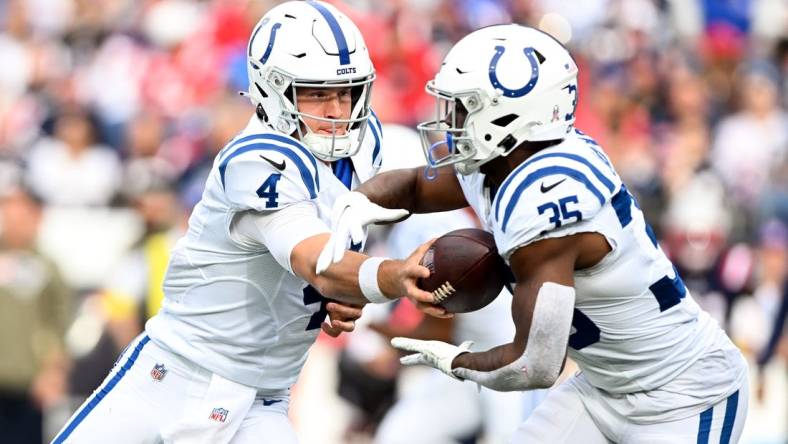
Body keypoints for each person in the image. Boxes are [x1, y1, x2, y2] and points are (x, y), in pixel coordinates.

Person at [318, 24, 749, 443]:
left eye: (465, 107)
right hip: (603, 388)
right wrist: (354, 206)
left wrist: (457, 362)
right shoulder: (505, 159)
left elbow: (535, 363)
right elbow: (415, 185)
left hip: (683, 395)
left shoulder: (548, 207)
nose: (450, 121)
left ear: (510, 115)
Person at [52, 2, 435, 443]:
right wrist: (390, 276)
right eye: (316, 92)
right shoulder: (257, 158)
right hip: (169, 382)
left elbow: (424, 185)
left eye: (347, 92)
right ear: (273, 90)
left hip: (258, 403)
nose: (336, 109)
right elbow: (318, 263)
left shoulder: (367, 145)